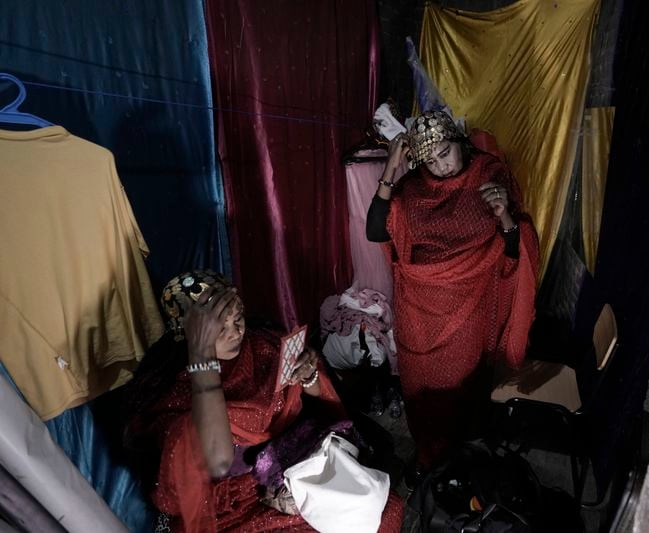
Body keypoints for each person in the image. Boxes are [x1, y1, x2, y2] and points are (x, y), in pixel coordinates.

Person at [124, 270, 403, 532]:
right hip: (240, 503)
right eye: (218, 329)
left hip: (295, 466)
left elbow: (322, 407)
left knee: (385, 510)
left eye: (237, 319)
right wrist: (202, 358)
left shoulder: (264, 345)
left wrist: (309, 378)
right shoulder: (177, 396)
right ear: (191, 335)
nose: (235, 333)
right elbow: (218, 462)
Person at [366, 110, 539, 480]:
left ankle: (459, 464)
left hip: (467, 307)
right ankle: (430, 460)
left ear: (458, 143)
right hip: (416, 310)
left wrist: (505, 216)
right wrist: (389, 171)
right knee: (420, 390)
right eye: (430, 160)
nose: (440, 166)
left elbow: (513, 246)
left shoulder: (489, 174)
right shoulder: (411, 188)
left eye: (445, 153)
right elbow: (375, 229)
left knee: (457, 392)